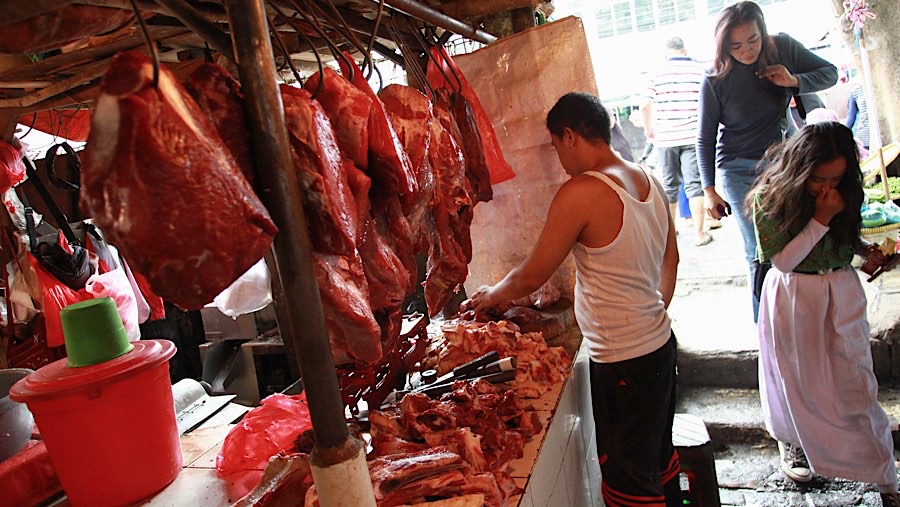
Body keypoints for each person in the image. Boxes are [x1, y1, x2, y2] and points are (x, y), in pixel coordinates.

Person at [465, 92, 681, 506]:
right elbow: (671, 258)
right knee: (657, 461)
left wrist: (489, 295)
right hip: (659, 346)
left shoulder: (583, 190)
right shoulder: (647, 178)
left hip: (624, 362)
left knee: (629, 484)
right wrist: (651, 314)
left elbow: (533, 274)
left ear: (569, 136)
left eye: (554, 147)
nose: (559, 159)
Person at [747, 122, 900, 506]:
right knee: (796, 380)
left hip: (840, 291)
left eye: (837, 178)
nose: (828, 188)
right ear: (801, 169)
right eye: (818, 179)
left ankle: (884, 476)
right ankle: (794, 442)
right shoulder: (770, 197)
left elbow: (842, 239)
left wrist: (866, 253)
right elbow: (783, 261)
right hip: (795, 295)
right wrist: (820, 217)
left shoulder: (842, 191)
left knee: (855, 381)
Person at [696, 0, 838, 321]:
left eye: (753, 40)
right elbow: (704, 137)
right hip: (738, 170)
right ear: (723, 45)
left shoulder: (783, 47)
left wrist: (793, 81)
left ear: (763, 32)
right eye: (736, 45)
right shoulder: (715, 79)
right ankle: (766, 327)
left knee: (795, 242)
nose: (747, 50)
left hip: (783, 168)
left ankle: (801, 319)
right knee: (759, 252)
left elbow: (830, 73)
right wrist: (709, 189)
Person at [642, 36, 712, 246]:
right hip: (693, 136)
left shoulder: (655, 72)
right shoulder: (700, 70)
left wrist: (649, 129)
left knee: (670, 186)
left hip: (665, 138)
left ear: (666, 51)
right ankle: (700, 234)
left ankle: (671, 234)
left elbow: (645, 104)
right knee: (695, 185)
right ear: (684, 50)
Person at [846, 81, 870, 150]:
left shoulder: (856, 90)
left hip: (863, 138)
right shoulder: (855, 91)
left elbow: (851, 117)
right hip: (866, 138)